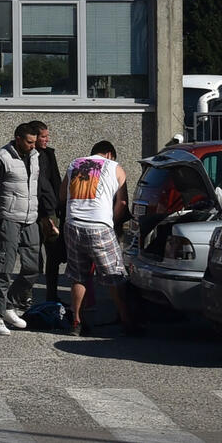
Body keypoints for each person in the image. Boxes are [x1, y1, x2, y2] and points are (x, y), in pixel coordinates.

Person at [59, 140, 140, 336]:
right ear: (110, 154)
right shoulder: (115, 167)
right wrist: (110, 221)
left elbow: (62, 196)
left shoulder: (74, 164)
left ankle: (76, 322)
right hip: (99, 226)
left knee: (79, 276)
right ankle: (127, 321)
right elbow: (121, 202)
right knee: (114, 275)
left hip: (73, 224)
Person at [0, 123, 40, 336]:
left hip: (30, 219)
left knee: (34, 267)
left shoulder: (35, 157)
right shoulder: (2, 158)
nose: (34, 146)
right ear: (18, 139)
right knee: (4, 269)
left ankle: (9, 305)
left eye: (35, 142)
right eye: (29, 142)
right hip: (8, 220)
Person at [28, 120, 65, 304]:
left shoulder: (48, 155)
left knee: (54, 255)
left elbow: (54, 181)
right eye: (43, 136)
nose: (47, 139)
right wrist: (46, 214)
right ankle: (27, 294)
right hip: (39, 212)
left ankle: (51, 294)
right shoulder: (30, 156)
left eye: (47, 136)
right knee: (34, 256)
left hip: (51, 210)